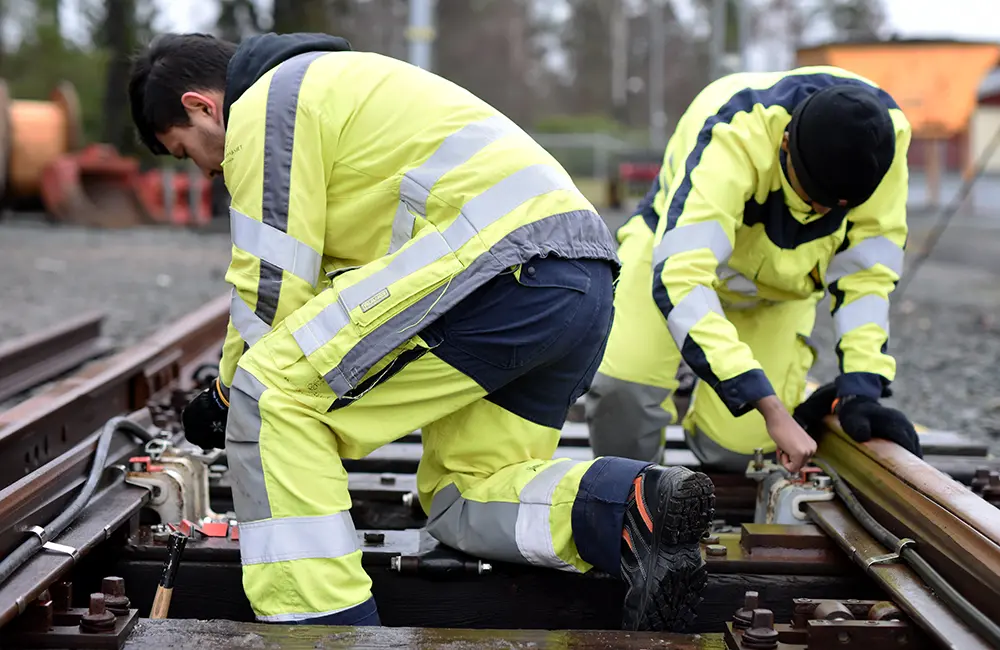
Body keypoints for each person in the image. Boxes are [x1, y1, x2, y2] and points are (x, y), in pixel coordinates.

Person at [128, 32, 716, 631]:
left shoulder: (267, 104)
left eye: (186, 151)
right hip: (578, 280)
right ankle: (629, 508)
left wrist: (228, 395)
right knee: (466, 495)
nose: (205, 170)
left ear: (203, 106)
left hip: (502, 269)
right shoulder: (341, 87)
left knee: (273, 397)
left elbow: (273, 286)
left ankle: (323, 633)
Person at [586, 66, 922, 473]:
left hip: (779, 289)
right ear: (784, 144)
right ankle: (631, 499)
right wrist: (766, 402)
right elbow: (682, 274)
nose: (820, 212)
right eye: (813, 197)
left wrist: (861, 385)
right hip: (674, 254)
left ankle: (709, 381)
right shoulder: (734, 130)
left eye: (836, 207)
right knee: (623, 392)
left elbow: (866, 275)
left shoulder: (883, 143)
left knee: (739, 453)